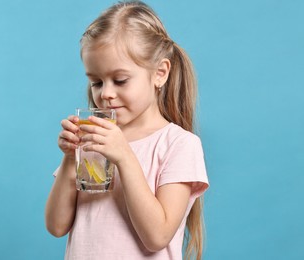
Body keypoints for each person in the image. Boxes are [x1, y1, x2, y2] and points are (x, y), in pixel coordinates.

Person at [45, 1, 209, 259]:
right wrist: (69, 159)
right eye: (96, 82)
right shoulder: (95, 140)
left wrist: (124, 156)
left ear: (159, 73)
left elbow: (157, 236)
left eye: (120, 80)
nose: (106, 94)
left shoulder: (179, 144)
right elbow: (56, 226)